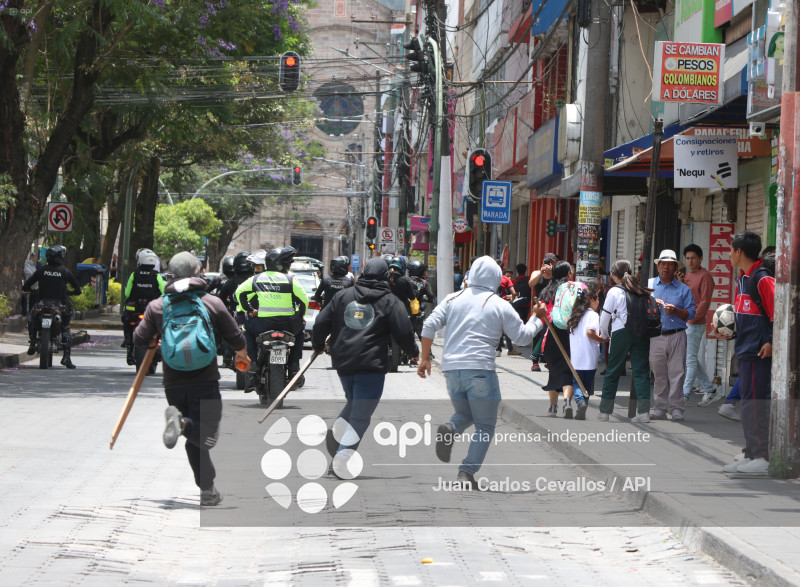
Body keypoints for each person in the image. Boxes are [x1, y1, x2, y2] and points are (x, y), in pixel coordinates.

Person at [417, 256, 547, 489]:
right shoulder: (499, 304)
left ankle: (451, 429)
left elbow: (428, 325)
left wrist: (424, 358)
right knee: (485, 425)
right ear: (497, 278)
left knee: (466, 412)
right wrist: (538, 319)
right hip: (480, 370)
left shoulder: (452, 298)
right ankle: (466, 472)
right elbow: (522, 338)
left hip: (452, 370)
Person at [133, 251, 250, 506]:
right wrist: (241, 352)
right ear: (198, 273)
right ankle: (183, 424)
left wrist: (156, 336)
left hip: (174, 385)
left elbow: (139, 339)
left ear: (170, 275)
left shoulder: (158, 306)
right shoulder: (211, 302)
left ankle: (207, 490)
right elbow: (237, 337)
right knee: (207, 436)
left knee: (197, 443)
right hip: (205, 381)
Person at [312, 258, 419, 478]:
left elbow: (321, 321)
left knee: (354, 403)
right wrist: (414, 352)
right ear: (385, 277)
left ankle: (338, 434)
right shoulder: (390, 301)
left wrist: (318, 344)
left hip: (343, 363)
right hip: (371, 365)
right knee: (361, 415)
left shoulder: (343, 296)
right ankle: (341, 459)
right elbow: (404, 330)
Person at [719, 231, 774, 476]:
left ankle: (762, 456)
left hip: (759, 352)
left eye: (730, 250)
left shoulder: (761, 279)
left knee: (756, 405)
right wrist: (727, 331)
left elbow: (778, 313)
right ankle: (751, 453)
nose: (729, 254)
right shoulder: (743, 279)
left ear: (739, 252)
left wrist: (771, 341)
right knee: (748, 407)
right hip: (745, 349)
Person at [235, 247, 308, 388]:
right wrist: (299, 315)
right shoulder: (290, 279)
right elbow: (303, 299)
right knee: (301, 332)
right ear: (279, 264)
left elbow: (240, 293)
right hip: (288, 325)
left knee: (246, 329)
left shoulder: (257, 278)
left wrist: (249, 310)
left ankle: (254, 363)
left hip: (263, 325)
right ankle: (294, 366)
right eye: (286, 262)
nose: (288, 265)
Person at [597, 259, 654, 422]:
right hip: (642, 333)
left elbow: (604, 318)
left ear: (614, 275)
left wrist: (605, 335)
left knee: (612, 371)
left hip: (621, 332)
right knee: (641, 372)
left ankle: (605, 412)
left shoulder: (614, 292)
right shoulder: (641, 289)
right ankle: (644, 413)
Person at [648, 249, 695, 421]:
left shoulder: (684, 289)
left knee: (677, 373)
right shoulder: (649, 285)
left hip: (677, 334)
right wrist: (653, 303)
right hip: (656, 335)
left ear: (675, 267)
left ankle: (676, 408)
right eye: (663, 264)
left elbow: (691, 313)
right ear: (658, 266)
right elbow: (641, 307)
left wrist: (675, 310)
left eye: (670, 264)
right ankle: (659, 408)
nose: (666, 267)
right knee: (658, 373)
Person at [22, 245, 82, 368]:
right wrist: (71, 292)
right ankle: (66, 358)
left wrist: (26, 289)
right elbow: (77, 289)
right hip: (59, 306)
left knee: (31, 318)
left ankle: (33, 342)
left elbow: (28, 284)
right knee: (65, 328)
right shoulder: (65, 272)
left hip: (42, 304)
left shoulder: (42, 270)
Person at [681, 244, 717, 407]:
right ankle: (709, 389)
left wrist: (692, 319)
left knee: (689, 360)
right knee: (692, 358)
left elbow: (705, 301)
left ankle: (684, 394)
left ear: (701, 258)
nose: (690, 261)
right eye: (687, 258)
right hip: (686, 322)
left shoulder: (705, 276)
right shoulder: (687, 275)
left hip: (695, 324)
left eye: (693, 258)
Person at [538, 261, 574, 417]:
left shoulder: (547, 291)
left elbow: (540, 314)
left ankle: (553, 407)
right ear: (568, 274)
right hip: (568, 334)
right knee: (567, 369)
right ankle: (566, 402)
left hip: (550, 333)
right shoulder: (571, 290)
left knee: (553, 370)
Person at [122, 249, 166, 365]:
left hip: (134, 312)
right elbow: (164, 292)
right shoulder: (157, 276)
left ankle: (129, 347)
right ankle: (160, 345)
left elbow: (127, 293)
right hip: (152, 312)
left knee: (126, 321)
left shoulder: (134, 275)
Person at [567, 284, 603, 420]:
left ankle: (580, 403)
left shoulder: (575, 315)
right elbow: (590, 332)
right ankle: (582, 403)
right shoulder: (593, 315)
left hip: (576, 358)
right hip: (589, 357)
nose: (598, 302)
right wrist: (602, 339)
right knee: (586, 385)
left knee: (577, 383)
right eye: (597, 299)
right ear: (591, 300)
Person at [528, 252, 558, 371]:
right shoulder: (537, 273)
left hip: (551, 308)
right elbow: (531, 284)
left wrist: (552, 272)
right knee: (536, 334)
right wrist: (541, 272)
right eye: (547, 262)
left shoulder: (555, 275)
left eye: (551, 262)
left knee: (550, 334)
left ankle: (547, 359)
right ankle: (534, 362)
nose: (548, 265)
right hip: (539, 308)